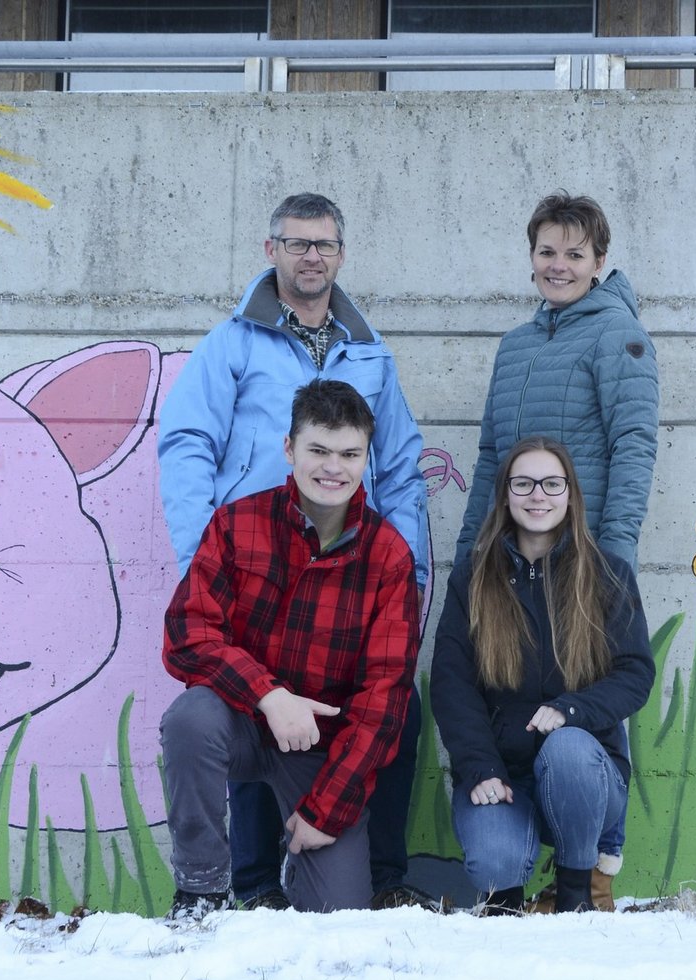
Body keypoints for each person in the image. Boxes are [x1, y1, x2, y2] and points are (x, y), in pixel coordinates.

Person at [158, 193, 431, 911]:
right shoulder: (233, 343)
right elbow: (187, 442)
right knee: (223, 713)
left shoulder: (369, 350)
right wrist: (202, 552)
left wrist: (406, 562)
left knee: (389, 707)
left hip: (345, 568)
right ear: (270, 247)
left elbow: (399, 463)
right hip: (254, 562)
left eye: (324, 244)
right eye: (297, 242)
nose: (312, 255)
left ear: (341, 253)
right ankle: (233, 886)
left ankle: (367, 869)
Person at [453, 191, 659, 907]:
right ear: (531, 257)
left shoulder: (619, 336)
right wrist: (467, 556)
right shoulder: (515, 346)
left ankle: (598, 867)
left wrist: (615, 554)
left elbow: (633, 444)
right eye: (547, 251)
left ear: (600, 261)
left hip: (585, 562)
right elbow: (488, 460)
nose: (559, 264)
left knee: (588, 708)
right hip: (511, 559)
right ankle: (517, 850)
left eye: (575, 253)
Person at [161, 380, 418, 918]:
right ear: (289, 450)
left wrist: (326, 811)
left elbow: (384, 702)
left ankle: (298, 865)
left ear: (366, 457)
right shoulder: (236, 525)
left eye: (349, 454)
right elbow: (188, 634)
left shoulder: (388, 556)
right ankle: (202, 891)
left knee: (338, 918)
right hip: (245, 726)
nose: (333, 468)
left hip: (325, 751)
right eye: (318, 450)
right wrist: (269, 695)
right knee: (190, 717)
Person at [432, 437, 654, 914]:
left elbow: (635, 673)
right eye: (524, 483)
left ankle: (575, 893)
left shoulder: (606, 574)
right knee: (494, 861)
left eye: (552, 483)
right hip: (503, 772)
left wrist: (571, 709)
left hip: (586, 777)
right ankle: (506, 901)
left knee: (568, 746)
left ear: (570, 494)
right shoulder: (473, 578)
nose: (539, 495)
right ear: (506, 496)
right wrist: (479, 767)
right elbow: (452, 685)